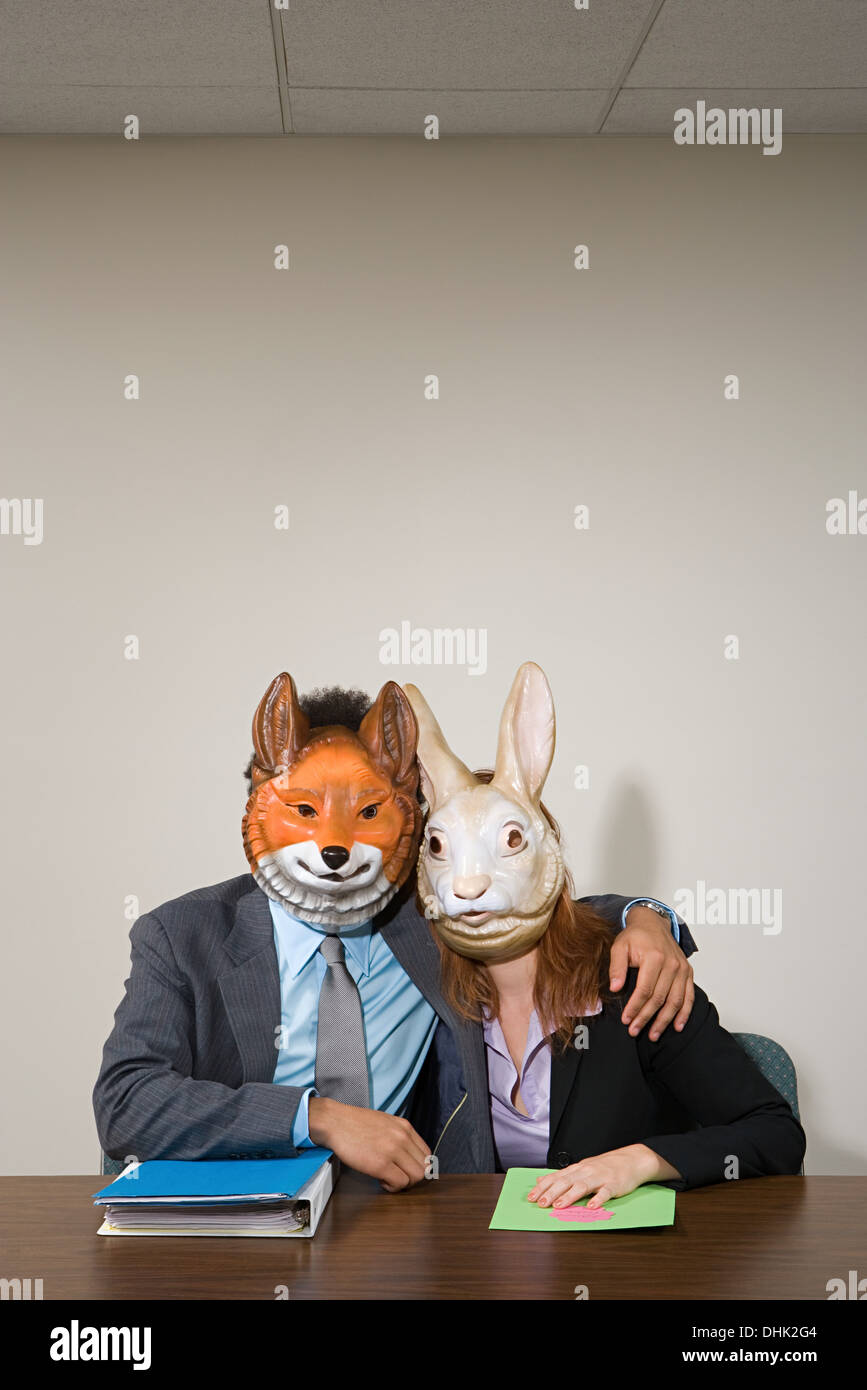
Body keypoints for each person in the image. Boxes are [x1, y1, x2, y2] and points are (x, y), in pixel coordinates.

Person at [93, 670, 698, 1190]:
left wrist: (644, 916)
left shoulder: (426, 918)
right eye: (305, 809)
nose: (335, 844)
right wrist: (315, 1117)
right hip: (242, 1230)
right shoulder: (181, 935)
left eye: (366, 812)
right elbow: (126, 1102)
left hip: (406, 1225)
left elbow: (530, 904)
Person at [404, 664, 806, 1206]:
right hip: (482, 1265)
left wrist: (642, 1160)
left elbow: (775, 1135)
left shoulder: (634, 982)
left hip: (627, 1265)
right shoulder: (417, 992)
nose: (471, 883)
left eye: (509, 841)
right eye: (442, 850)